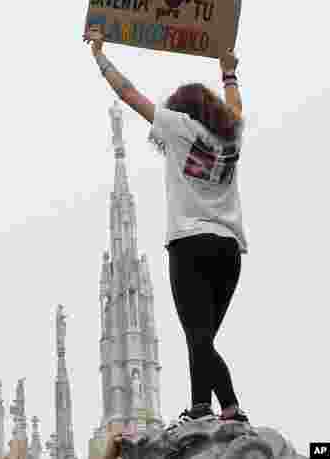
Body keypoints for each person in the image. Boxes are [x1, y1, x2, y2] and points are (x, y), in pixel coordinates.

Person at [85, 26, 249, 427]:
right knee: (203, 337)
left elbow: (129, 95)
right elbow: (236, 109)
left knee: (198, 337)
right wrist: (228, 72)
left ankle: (230, 408)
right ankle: (199, 407)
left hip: (191, 245)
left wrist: (100, 56)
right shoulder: (233, 138)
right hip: (229, 251)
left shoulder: (178, 128)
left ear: (183, 108)